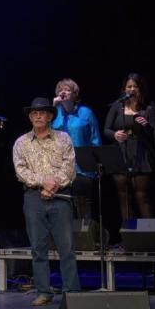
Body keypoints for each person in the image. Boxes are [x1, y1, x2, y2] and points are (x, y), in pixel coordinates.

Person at [13, 98, 80, 305]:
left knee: (66, 248)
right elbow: (21, 170)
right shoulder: (21, 142)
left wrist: (53, 185)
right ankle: (43, 291)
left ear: (50, 116)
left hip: (60, 197)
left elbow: (69, 168)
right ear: (30, 117)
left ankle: (72, 292)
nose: (38, 116)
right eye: (34, 113)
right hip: (33, 198)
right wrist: (44, 183)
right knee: (38, 248)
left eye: (42, 113)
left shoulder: (63, 139)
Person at [103, 73, 155, 223]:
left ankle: (150, 235)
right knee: (124, 197)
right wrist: (115, 135)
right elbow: (106, 130)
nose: (132, 89)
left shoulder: (148, 108)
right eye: (129, 86)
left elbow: (154, 133)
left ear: (140, 89)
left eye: (135, 86)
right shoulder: (117, 106)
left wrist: (146, 124)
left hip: (141, 154)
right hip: (120, 154)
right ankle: (130, 235)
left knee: (142, 196)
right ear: (124, 89)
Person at [51, 78, 101, 219]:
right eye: (60, 89)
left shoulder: (86, 113)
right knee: (64, 208)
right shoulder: (54, 114)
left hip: (83, 169)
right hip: (60, 169)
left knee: (84, 207)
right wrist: (53, 110)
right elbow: (46, 138)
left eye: (67, 89)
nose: (63, 92)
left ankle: (87, 239)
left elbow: (95, 139)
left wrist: (96, 164)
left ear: (75, 94)